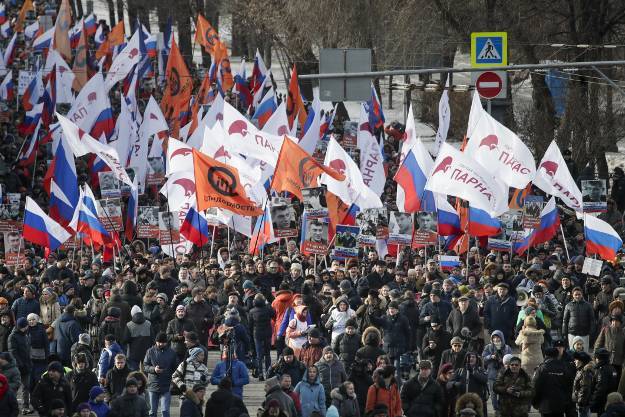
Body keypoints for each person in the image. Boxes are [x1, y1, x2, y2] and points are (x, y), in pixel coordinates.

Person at [531, 348, 576, 417]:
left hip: (545, 405)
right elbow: (570, 386)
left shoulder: (541, 368)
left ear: (545, 356)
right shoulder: (565, 367)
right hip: (560, 405)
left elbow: (535, 386)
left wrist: (535, 402)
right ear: (557, 356)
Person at [143, 332, 178, 417]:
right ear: (156, 341)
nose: (161, 344)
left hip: (166, 385)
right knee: (152, 412)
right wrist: (154, 369)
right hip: (152, 385)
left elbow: (176, 368)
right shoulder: (150, 351)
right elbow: (145, 366)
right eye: (159, 342)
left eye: (163, 342)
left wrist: (173, 382)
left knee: (165, 411)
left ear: (166, 342)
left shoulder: (172, 352)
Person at [8, 316, 31, 410]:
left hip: (26, 365)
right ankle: (11, 406)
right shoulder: (12, 336)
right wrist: (20, 364)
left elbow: (27, 350)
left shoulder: (25, 335)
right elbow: (13, 352)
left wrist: (28, 363)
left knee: (26, 387)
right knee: (15, 387)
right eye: (24, 327)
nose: (26, 328)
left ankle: (25, 406)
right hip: (18, 366)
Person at [563, 287, 595, 353]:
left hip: (585, 333)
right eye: (576, 294)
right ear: (573, 295)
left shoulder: (588, 305)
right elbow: (565, 320)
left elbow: (592, 320)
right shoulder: (568, 305)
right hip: (572, 333)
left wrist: (592, 332)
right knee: (572, 353)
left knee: (585, 353)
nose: (577, 296)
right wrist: (564, 333)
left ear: (582, 295)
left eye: (579, 294)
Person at [591, 348, 619, 414]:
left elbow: (600, 389)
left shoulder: (602, 370)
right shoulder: (612, 368)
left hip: (602, 403)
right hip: (611, 401)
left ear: (597, 358)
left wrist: (593, 403)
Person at [572, 351, 593, 417]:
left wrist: (580, 402)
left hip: (583, 404)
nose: (574, 361)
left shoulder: (585, 372)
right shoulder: (580, 370)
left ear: (581, 361)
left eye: (576, 359)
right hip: (581, 402)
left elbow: (585, 388)